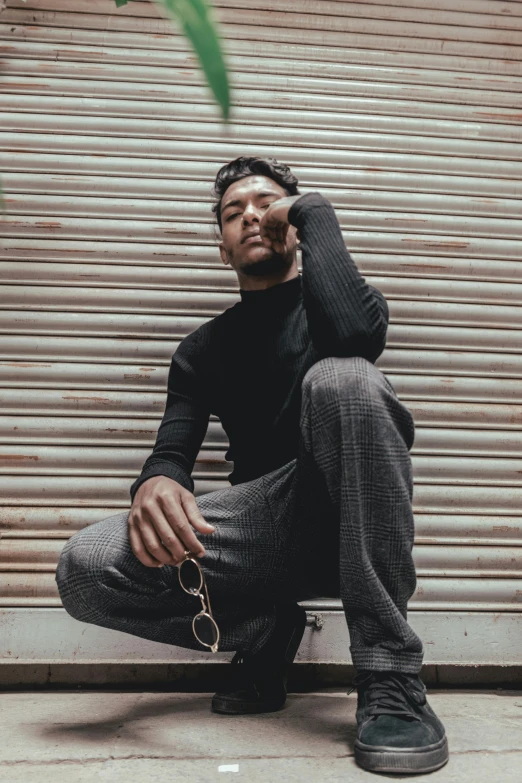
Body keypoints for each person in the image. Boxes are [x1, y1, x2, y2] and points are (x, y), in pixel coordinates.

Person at [55, 156, 448, 775]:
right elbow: (173, 447)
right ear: (222, 250)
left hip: (356, 511)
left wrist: (313, 211)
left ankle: (390, 676)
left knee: (345, 378)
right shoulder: (201, 349)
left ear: (294, 225)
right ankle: (264, 633)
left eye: (266, 204)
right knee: (86, 566)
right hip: (265, 529)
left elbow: (353, 341)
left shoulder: (342, 306)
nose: (252, 217)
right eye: (234, 213)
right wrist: (157, 481)